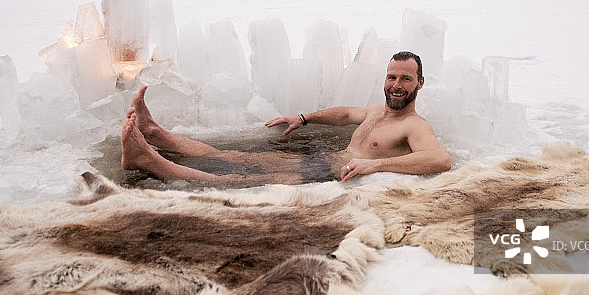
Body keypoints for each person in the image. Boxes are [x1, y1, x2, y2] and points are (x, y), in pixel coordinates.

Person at [121, 51, 451, 185]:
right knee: (233, 158)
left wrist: (373, 165)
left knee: (241, 180)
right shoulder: (378, 111)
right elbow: (346, 114)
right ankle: (156, 133)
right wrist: (305, 118)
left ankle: (150, 162)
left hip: (329, 178)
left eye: (406, 79)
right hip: (322, 161)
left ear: (419, 83)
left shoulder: (414, 126)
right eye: (392, 77)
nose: (396, 85)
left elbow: (440, 159)